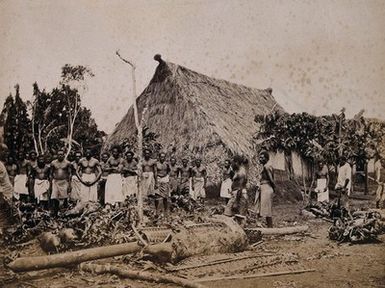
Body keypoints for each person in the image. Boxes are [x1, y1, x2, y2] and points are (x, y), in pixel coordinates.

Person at [224, 155, 249, 222]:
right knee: (231, 214)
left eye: (232, 162)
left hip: (239, 195)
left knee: (235, 215)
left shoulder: (241, 172)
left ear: (237, 162)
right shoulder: (237, 171)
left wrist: (236, 202)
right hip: (236, 194)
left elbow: (241, 187)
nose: (231, 164)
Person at [50, 149, 72, 216]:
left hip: (64, 181)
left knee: (64, 198)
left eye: (61, 154)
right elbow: (51, 173)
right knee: (55, 197)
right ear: (57, 155)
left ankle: (64, 213)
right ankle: (55, 212)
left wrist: (69, 184)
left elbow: (70, 174)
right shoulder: (53, 163)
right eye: (58, 154)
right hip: (56, 181)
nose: (60, 156)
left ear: (64, 155)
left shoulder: (67, 163)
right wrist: (51, 183)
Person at [256, 151, 275, 228]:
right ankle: (266, 226)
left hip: (266, 188)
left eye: (262, 157)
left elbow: (271, 179)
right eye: (260, 157)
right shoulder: (264, 166)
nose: (260, 159)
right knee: (263, 207)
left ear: (266, 159)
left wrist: (274, 189)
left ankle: (270, 227)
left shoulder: (267, 167)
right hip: (264, 188)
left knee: (267, 209)